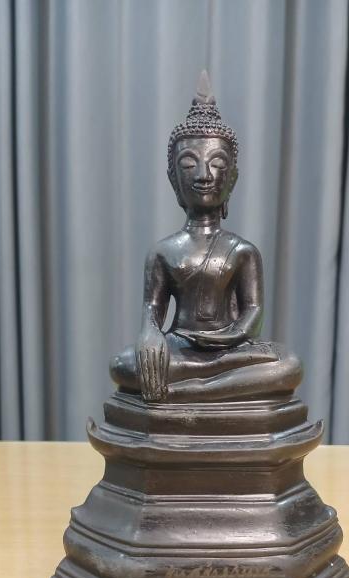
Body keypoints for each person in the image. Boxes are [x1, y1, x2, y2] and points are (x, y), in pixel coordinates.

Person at [111, 71, 302, 403]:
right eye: (189, 165)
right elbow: (152, 310)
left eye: (217, 164)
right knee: (124, 364)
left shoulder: (243, 251)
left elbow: (253, 311)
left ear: (232, 178)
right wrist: (150, 336)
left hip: (230, 350)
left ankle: (194, 390)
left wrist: (230, 336)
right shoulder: (163, 251)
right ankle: (215, 385)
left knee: (288, 365)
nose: (203, 175)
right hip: (180, 348)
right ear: (173, 179)